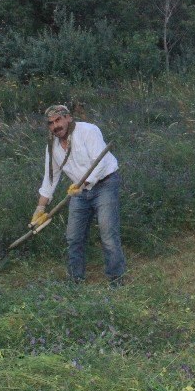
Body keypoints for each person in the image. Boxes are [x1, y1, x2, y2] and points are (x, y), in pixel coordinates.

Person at [30, 104, 126, 285]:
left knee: (108, 234)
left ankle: (116, 278)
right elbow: (50, 178)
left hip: (105, 184)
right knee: (74, 237)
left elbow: (101, 162)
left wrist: (85, 183)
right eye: (50, 123)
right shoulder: (52, 147)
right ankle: (76, 280)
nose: (55, 126)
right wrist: (40, 208)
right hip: (78, 191)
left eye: (58, 120)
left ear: (68, 118)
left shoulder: (89, 131)